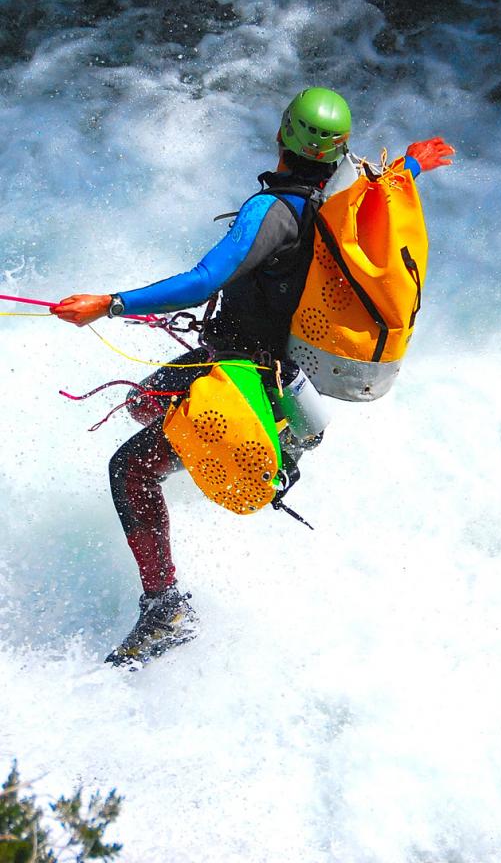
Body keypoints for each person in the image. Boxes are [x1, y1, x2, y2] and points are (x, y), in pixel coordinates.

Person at [52, 88, 455, 666]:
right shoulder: (341, 203)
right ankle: (202, 459)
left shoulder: (272, 211)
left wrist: (109, 303)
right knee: (144, 405)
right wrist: (412, 163)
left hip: (235, 371)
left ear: (282, 135)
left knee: (129, 469)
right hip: (277, 371)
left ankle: (165, 607)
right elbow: (381, 187)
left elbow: (203, 280)